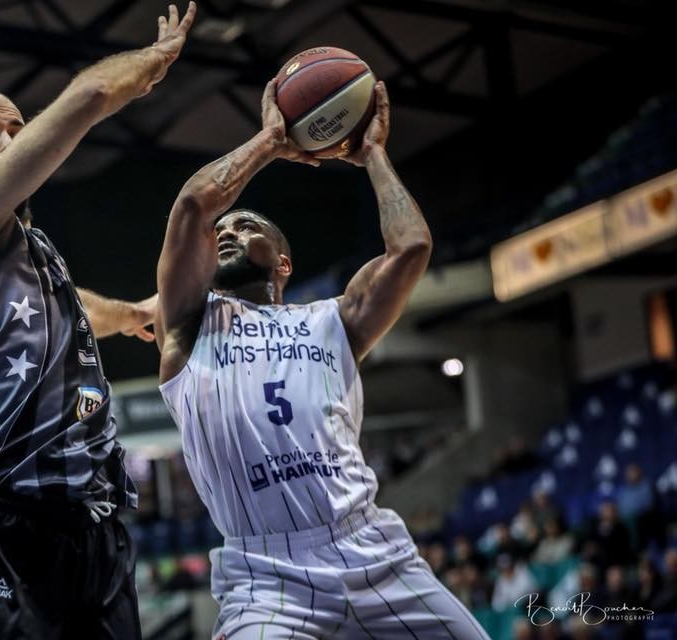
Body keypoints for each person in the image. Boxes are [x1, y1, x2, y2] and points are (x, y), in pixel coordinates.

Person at [156, 78, 488, 638]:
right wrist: (270, 141)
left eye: (247, 226)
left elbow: (410, 247)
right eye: (224, 228)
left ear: (283, 263)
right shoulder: (189, 323)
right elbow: (193, 205)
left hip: (373, 550)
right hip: (265, 575)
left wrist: (373, 154)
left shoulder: (333, 320)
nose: (229, 231)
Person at [0, 3, 196, 638]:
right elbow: (89, 96)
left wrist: (134, 313)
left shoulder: (30, 250)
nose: (10, 143)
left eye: (17, 129)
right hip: (4, 525)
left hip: (94, 523)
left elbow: (71, 305)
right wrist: (150, 62)